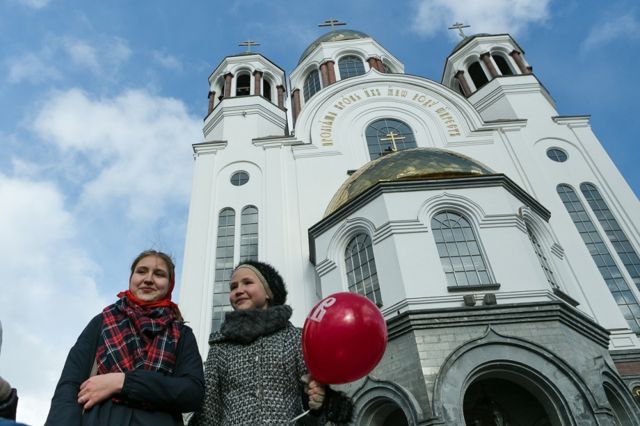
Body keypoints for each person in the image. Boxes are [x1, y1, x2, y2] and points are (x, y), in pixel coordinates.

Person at [45, 250, 204, 426]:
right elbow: (69, 386)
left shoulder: (182, 334)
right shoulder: (102, 322)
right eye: (141, 271)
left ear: (170, 285)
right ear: (131, 278)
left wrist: (123, 382)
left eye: (159, 274)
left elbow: (193, 393)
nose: (148, 279)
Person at [189, 260, 353, 426]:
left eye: (247, 282)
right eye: (233, 287)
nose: (238, 290)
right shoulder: (220, 347)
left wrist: (320, 401)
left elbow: (313, 395)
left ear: (268, 293)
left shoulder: (295, 338)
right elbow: (209, 410)